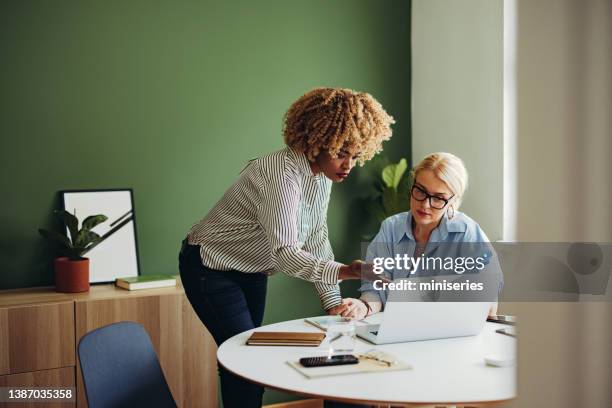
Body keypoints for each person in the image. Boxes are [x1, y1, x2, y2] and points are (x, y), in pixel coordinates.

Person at [179, 87, 394, 408]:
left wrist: (333, 300)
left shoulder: (321, 175)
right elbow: (287, 253)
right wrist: (346, 271)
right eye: (341, 152)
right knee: (242, 361)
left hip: (252, 270)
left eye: (356, 154)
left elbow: (317, 235)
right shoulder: (281, 173)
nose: (349, 164)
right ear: (318, 140)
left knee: (248, 360)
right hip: (211, 269)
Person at [339, 152, 502, 320]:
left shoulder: (466, 233)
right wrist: (363, 307)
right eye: (420, 191)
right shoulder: (391, 228)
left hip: (446, 332)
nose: (425, 204)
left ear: (452, 201)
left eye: (438, 198)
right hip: (395, 329)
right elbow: (375, 289)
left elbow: (489, 298)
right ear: (412, 186)